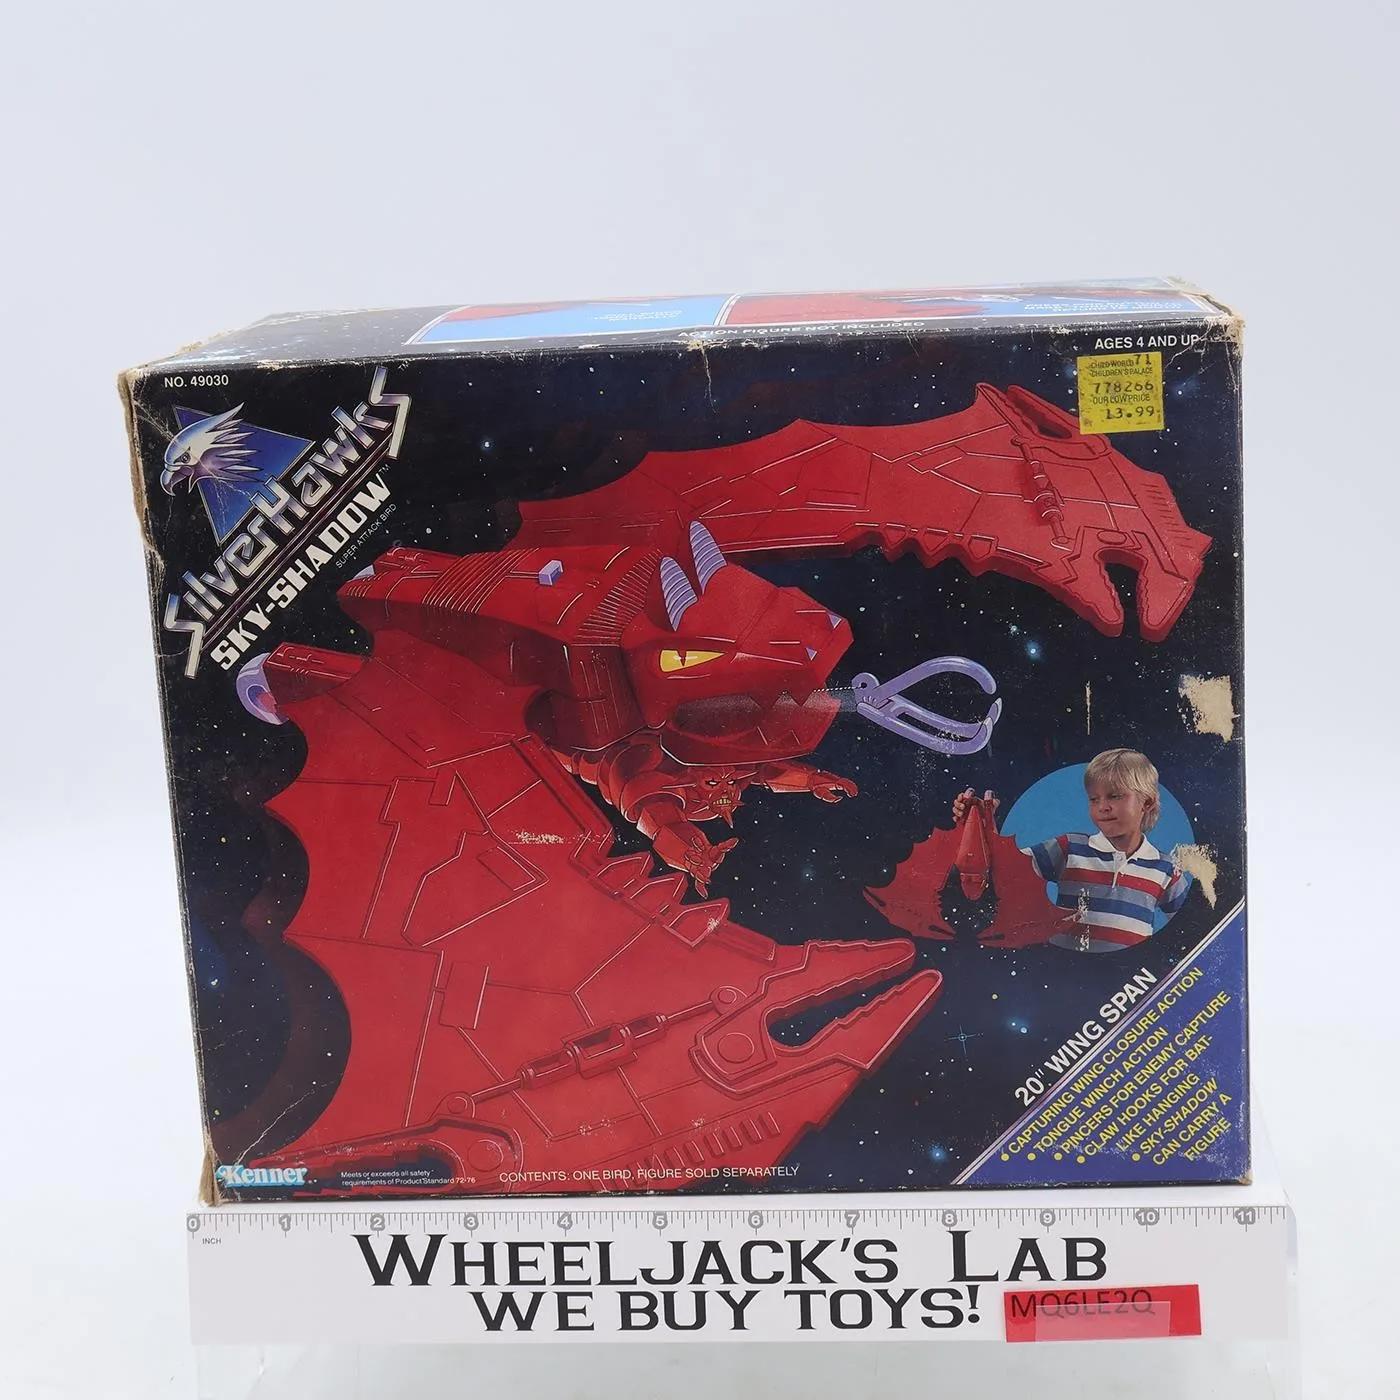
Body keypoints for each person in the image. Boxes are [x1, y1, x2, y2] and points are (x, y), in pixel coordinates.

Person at [953, 748, 1191, 953]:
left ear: (1147, 803)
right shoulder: (1069, 847)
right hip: (1066, 973)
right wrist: (979, 827)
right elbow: (1003, 870)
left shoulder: (1167, 868)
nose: (1102, 807)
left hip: (1129, 978)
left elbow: (1189, 928)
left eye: (1115, 796)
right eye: (1094, 799)